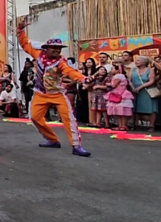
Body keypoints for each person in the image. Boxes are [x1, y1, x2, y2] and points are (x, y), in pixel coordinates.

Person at [16, 19, 92, 157]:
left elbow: (70, 72)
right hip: (40, 93)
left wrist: (83, 78)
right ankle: (52, 139)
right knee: (34, 117)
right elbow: (25, 45)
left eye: (59, 49)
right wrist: (20, 31)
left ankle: (76, 145)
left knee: (68, 118)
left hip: (57, 94)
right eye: (54, 48)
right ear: (46, 49)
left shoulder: (60, 63)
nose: (57, 51)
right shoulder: (38, 55)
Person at [129, 55, 157, 130]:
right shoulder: (133, 70)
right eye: (136, 60)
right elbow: (129, 80)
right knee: (136, 108)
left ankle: (151, 125)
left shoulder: (150, 70)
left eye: (138, 60)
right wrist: (132, 88)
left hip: (147, 91)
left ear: (144, 62)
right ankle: (135, 124)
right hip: (135, 91)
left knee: (151, 108)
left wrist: (140, 87)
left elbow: (152, 81)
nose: (136, 62)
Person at [106, 65, 133, 131]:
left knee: (122, 111)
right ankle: (120, 125)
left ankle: (123, 125)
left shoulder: (119, 76)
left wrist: (108, 84)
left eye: (112, 69)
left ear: (117, 70)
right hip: (118, 94)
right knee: (119, 111)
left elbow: (114, 85)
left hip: (121, 94)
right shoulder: (118, 76)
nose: (111, 70)